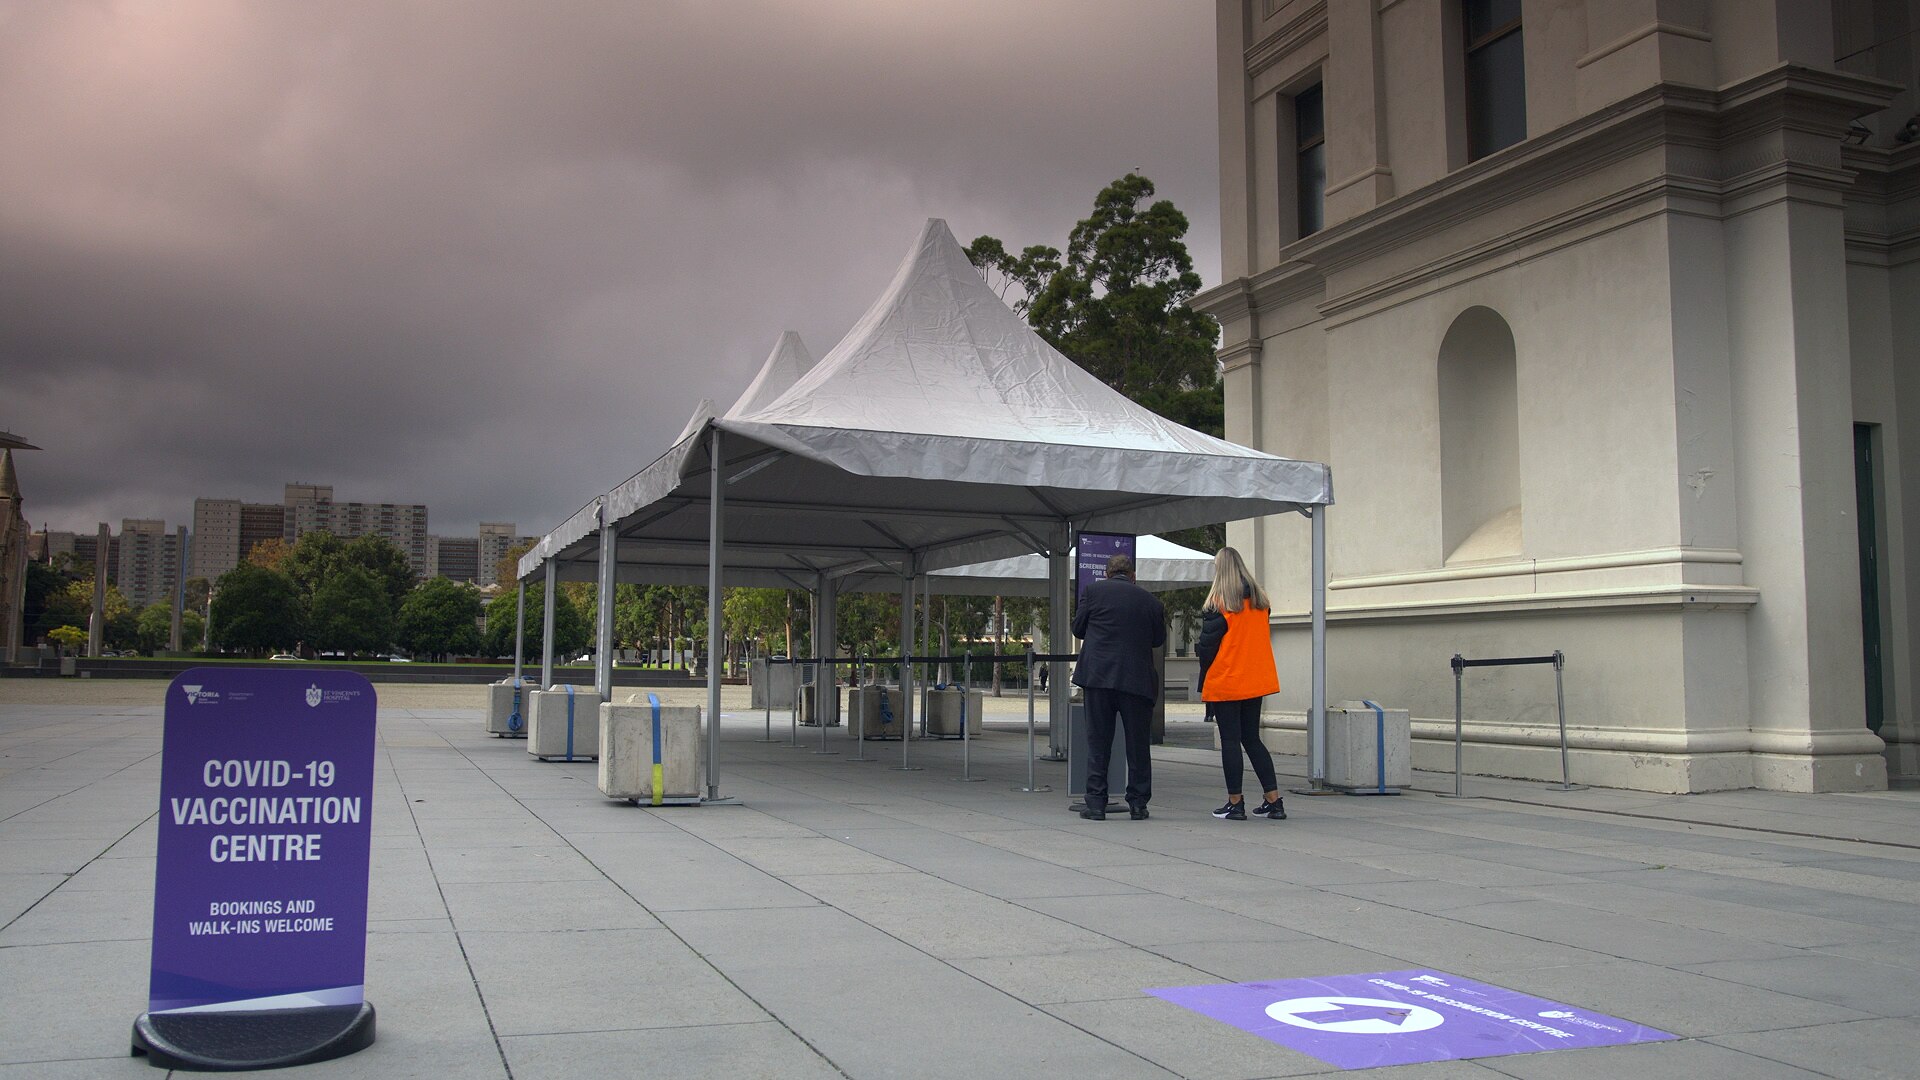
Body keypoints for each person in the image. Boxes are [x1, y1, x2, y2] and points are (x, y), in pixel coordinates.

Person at [1070, 553, 1166, 820]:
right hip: (1136, 680)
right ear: (1133, 576)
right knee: (1137, 745)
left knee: (1098, 741)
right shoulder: (1151, 601)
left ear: (1107, 574)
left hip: (1098, 677)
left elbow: (1078, 629)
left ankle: (1097, 803)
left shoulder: (1093, 592)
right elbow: (1158, 640)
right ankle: (1137, 803)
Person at [1196, 547, 1285, 821]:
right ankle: (1273, 800)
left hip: (1227, 680)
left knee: (1231, 741)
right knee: (1252, 739)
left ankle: (1235, 802)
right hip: (1255, 679)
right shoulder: (1261, 603)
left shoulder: (1219, 605)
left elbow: (1207, 647)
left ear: (1219, 570)